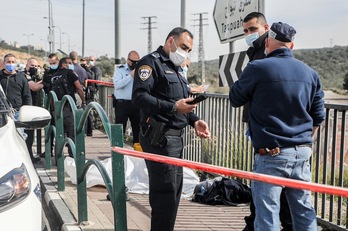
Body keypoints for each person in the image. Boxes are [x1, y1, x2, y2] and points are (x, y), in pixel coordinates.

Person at [229, 22, 325, 230]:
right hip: (302, 153)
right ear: (291, 46)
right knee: (303, 212)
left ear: (268, 41)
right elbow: (318, 116)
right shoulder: (310, 73)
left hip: (271, 153)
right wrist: (304, 143)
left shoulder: (257, 68)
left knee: (267, 216)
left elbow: (235, 98)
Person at [132, 27, 210, 231]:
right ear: (170, 42)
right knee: (164, 195)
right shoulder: (151, 63)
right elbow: (140, 97)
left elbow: (178, 100)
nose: (186, 52)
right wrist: (174, 107)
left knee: (173, 193)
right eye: (183, 47)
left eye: (189, 50)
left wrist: (194, 120)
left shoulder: (177, 68)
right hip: (160, 137)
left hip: (175, 139)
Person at [242, 12, 292, 231]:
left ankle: (259, 224)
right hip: (261, 125)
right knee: (263, 181)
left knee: (270, 183)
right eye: (245, 31)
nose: (249, 34)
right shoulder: (255, 52)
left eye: (253, 29)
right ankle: (255, 223)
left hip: (269, 128)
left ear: (265, 28)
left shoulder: (268, 52)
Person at [50, 57, 86, 158]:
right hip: (68, 106)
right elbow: (79, 88)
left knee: (59, 134)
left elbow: (51, 94)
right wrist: (83, 101)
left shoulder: (54, 76)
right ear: (64, 64)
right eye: (70, 63)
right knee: (72, 132)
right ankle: (73, 156)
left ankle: (59, 159)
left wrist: (53, 109)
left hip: (58, 107)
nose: (72, 65)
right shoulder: (70, 73)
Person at [113, 50, 142, 150]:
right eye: (133, 61)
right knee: (120, 129)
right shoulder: (119, 69)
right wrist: (130, 76)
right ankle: (117, 152)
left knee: (138, 130)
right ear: (128, 60)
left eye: (138, 61)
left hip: (136, 103)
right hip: (122, 104)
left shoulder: (140, 70)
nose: (135, 63)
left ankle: (138, 152)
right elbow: (117, 85)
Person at [23, 57, 44, 163]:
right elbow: (34, 87)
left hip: (33, 108)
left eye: (36, 66)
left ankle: (30, 155)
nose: (34, 68)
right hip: (25, 109)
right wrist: (44, 84)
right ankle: (28, 157)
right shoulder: (24, 76)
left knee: (30, 135)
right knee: (27, 135)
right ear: (26, 66)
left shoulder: (35, 76)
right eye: (32, 66)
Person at [42, 53, 60, 157]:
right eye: (51, 63)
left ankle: (59, 152)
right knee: (50, 128)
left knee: (59, 129)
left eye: (54, 62)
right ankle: (49, 150)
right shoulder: (47, 73)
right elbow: (45, 85)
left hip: (59, 102)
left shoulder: (60, 72)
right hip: (50, 102)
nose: (52, 65)